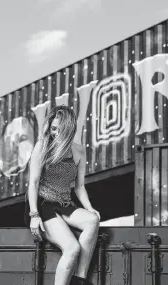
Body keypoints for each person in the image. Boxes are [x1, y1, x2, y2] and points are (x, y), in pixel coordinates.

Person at [25, 105, 100, 285]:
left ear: (70, 128)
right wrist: (34, 215)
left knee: (92, 220)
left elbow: (79, 187)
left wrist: (90, 208)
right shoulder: (42, 146)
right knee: (72, 248)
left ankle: (79, 280)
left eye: (60, 129)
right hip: (43, 205)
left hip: (64, 204)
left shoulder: (79, 151)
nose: (56, 133)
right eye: (53, 128)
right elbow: (33, 183)